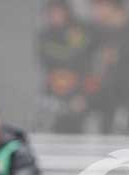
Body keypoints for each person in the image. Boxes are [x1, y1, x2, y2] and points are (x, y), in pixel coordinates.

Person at [87, 0, 129, 134]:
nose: (95, 12)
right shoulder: (96, 31)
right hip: (105, 99)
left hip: (127, 98)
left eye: (98, 6)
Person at [37, 0, 95, 133]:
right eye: (50, 13)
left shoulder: (77, 33)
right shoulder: (45, 35)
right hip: (53, 93)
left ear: (66, 13)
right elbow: (46, 64)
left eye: (57, 12)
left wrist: (82, 94)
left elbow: (82, 61)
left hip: (76, 92)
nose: (54, 16)